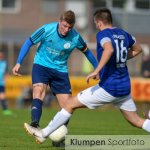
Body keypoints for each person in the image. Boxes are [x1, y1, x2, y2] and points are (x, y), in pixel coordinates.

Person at [23, 8, 150, 144]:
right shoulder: (124, 34)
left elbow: (109, 49)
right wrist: (120, 58)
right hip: (124, 87)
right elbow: (138, 49)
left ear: (100, 22)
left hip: (109, 87)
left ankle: (43, 133)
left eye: (96, 23)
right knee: (136, 121)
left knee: (69, 104)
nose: (96, 26)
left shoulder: (103, 34)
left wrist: (97, 70)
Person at [12, 10, 97, 145]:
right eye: (64, 26)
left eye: (69, 27)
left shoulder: (75, 37)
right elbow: (29, 42)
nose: (66, 30)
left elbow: (87, 52)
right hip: (41, 65)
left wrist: (97, 69)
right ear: (59, 22)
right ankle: (35, 125)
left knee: (68, 106)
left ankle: (57, 140)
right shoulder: (47, 29)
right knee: (39, 91)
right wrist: (18, 62)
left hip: (60, 71)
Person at [0, 51, 12, 115]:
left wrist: (7, 76)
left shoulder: (4, 63)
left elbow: (6, 72)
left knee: (2, 96)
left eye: (1, 55)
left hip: (1, 83)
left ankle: (5, 110)